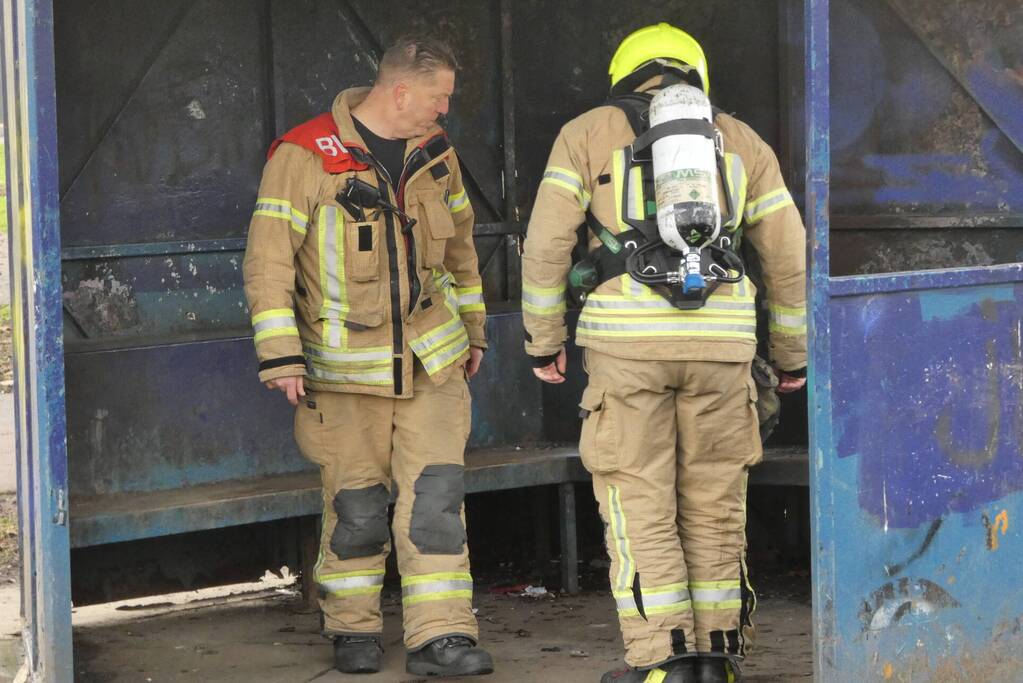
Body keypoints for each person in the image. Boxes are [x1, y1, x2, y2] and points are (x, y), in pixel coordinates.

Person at [521, 23, 807, 683]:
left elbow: (544, 245)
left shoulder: (586, 131)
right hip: (721, 348)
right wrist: (789, 356)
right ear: (696, 75)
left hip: (626, 347)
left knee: (638, 499)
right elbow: (785, 255)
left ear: (624, 75)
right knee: (714, 502)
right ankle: (716, 660)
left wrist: (544, 341)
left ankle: (661, 661)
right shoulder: (740, 140)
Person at [243, 35, 493, 678]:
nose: (444, 111)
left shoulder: (436, 153)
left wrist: (475, 332)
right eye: (438, 97)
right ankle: (352, 629)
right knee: (354, 507)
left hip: (432, 363)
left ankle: (441, 635)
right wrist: (281, 356)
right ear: (401, 90)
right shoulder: (304, 155)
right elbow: (268, 261)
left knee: (436, 500)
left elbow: (462, 250)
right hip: (341, 371)